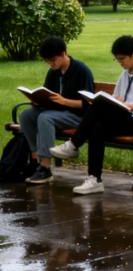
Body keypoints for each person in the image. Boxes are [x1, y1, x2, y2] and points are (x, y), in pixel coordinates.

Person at [50, 35, 133, 195]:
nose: (120, 63)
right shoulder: (125, 75)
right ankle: (94, 179)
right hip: (123, 119)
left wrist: (126, 106)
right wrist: (116, 102)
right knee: (97, 127)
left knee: (98, 106)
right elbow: (117, 98)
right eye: (117, 59)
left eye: (122, 59)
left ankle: (74, 144)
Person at [19, 36, 94, 185]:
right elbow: (49, 96)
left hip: (77, 116)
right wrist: (37, 100)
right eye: (47, 61)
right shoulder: (53, 71)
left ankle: (45, 167)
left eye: (53, 60)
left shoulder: (81, 70)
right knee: (26, 115)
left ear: (64, 53)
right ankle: (36, 158)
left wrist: (64, 101)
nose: (50, 64)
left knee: (45, 118)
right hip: (57, 113)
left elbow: (88, 105)